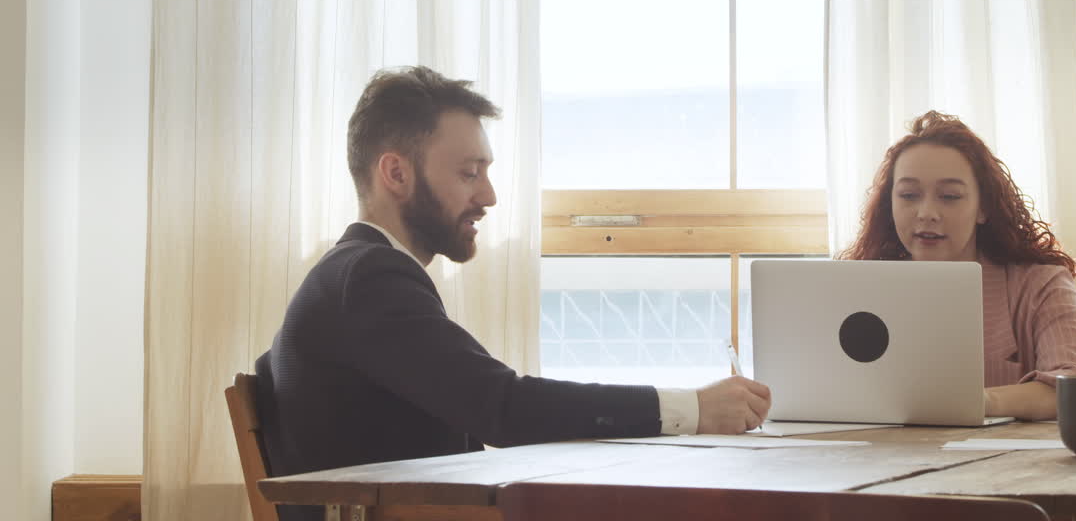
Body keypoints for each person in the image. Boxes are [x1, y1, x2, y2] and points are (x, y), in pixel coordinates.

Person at [255, 66, 770, 521]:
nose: (489, 195)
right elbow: (504, 409)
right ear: (396, 173)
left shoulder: (356, 274)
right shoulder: (368, 280)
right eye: (468, 173)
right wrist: (694, 410)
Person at [837, 110, 1076, 421]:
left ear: (983, 208)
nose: (926, 213)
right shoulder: (859, 285)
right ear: (890, 206)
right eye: (909, 195)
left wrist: (978, 402)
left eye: (950, 196)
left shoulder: (1041, 285)